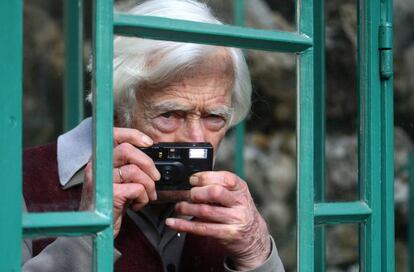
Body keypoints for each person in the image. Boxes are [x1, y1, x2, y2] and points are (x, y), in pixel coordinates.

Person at [22, 0, 285, 271]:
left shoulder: (227, 208)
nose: (196, 138)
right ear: (115, 110)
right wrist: (87, 237)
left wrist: (256, 253)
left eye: (214, 117)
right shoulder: (20, 182)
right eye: (169, 115)